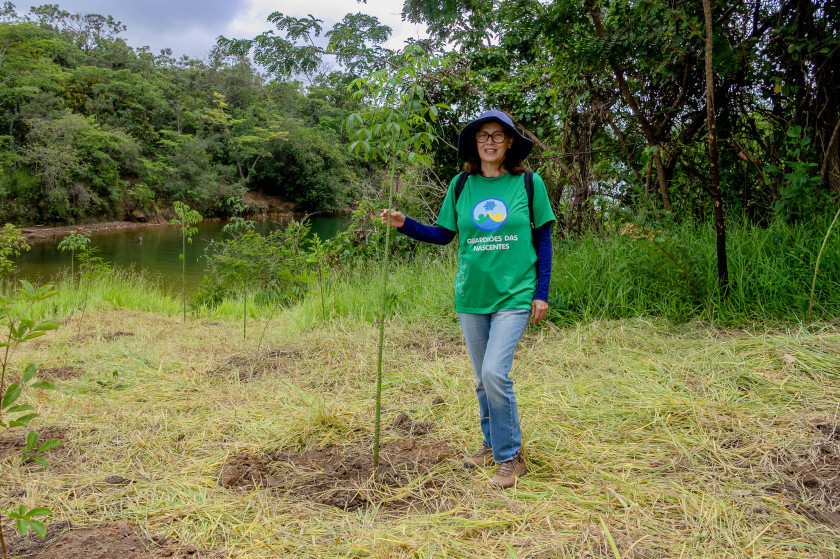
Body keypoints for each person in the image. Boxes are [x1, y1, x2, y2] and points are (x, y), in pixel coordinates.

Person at [380, 109, 556, 488]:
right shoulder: (461, 185)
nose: (489, 142)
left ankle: (512, 456)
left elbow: (543, 238)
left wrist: (541, 293)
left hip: (515, 293)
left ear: (510, 142)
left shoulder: (528, 182)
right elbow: (444, 235)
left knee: (495, 373)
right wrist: (404, 224)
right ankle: (490, 446)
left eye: (497, 135)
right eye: (482, 136)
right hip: (471, 295)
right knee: (481, 379)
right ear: (474, 144)